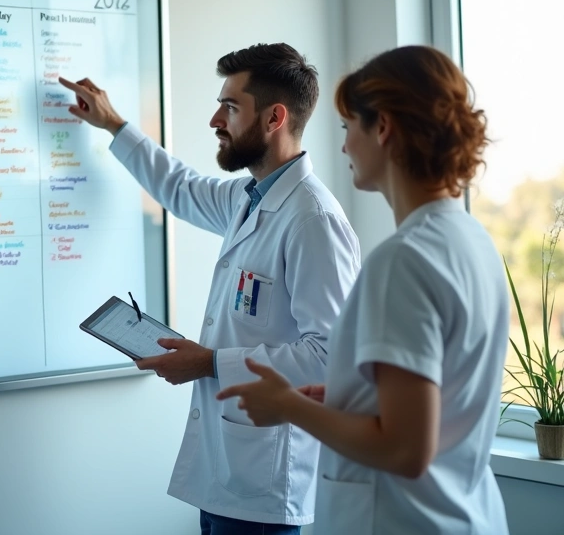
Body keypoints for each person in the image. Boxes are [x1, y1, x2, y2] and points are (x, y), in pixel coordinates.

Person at [61, 43, 361, 534]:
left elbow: (331, 356)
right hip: (227, 473)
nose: (215, 120)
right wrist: (114, 124)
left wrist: (208, 362)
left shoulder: (312, 220)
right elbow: (178, 188)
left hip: (265, 484)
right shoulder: (248, 198)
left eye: (230, 106)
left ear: (274, 118)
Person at [218, 45, 509, 534]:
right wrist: (348, 396)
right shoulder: (470, 240)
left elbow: (403, 449)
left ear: (384, 129)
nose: (345, 146)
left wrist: (289, 406)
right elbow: (444, 400)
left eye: (347, 127)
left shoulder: (404, 260)